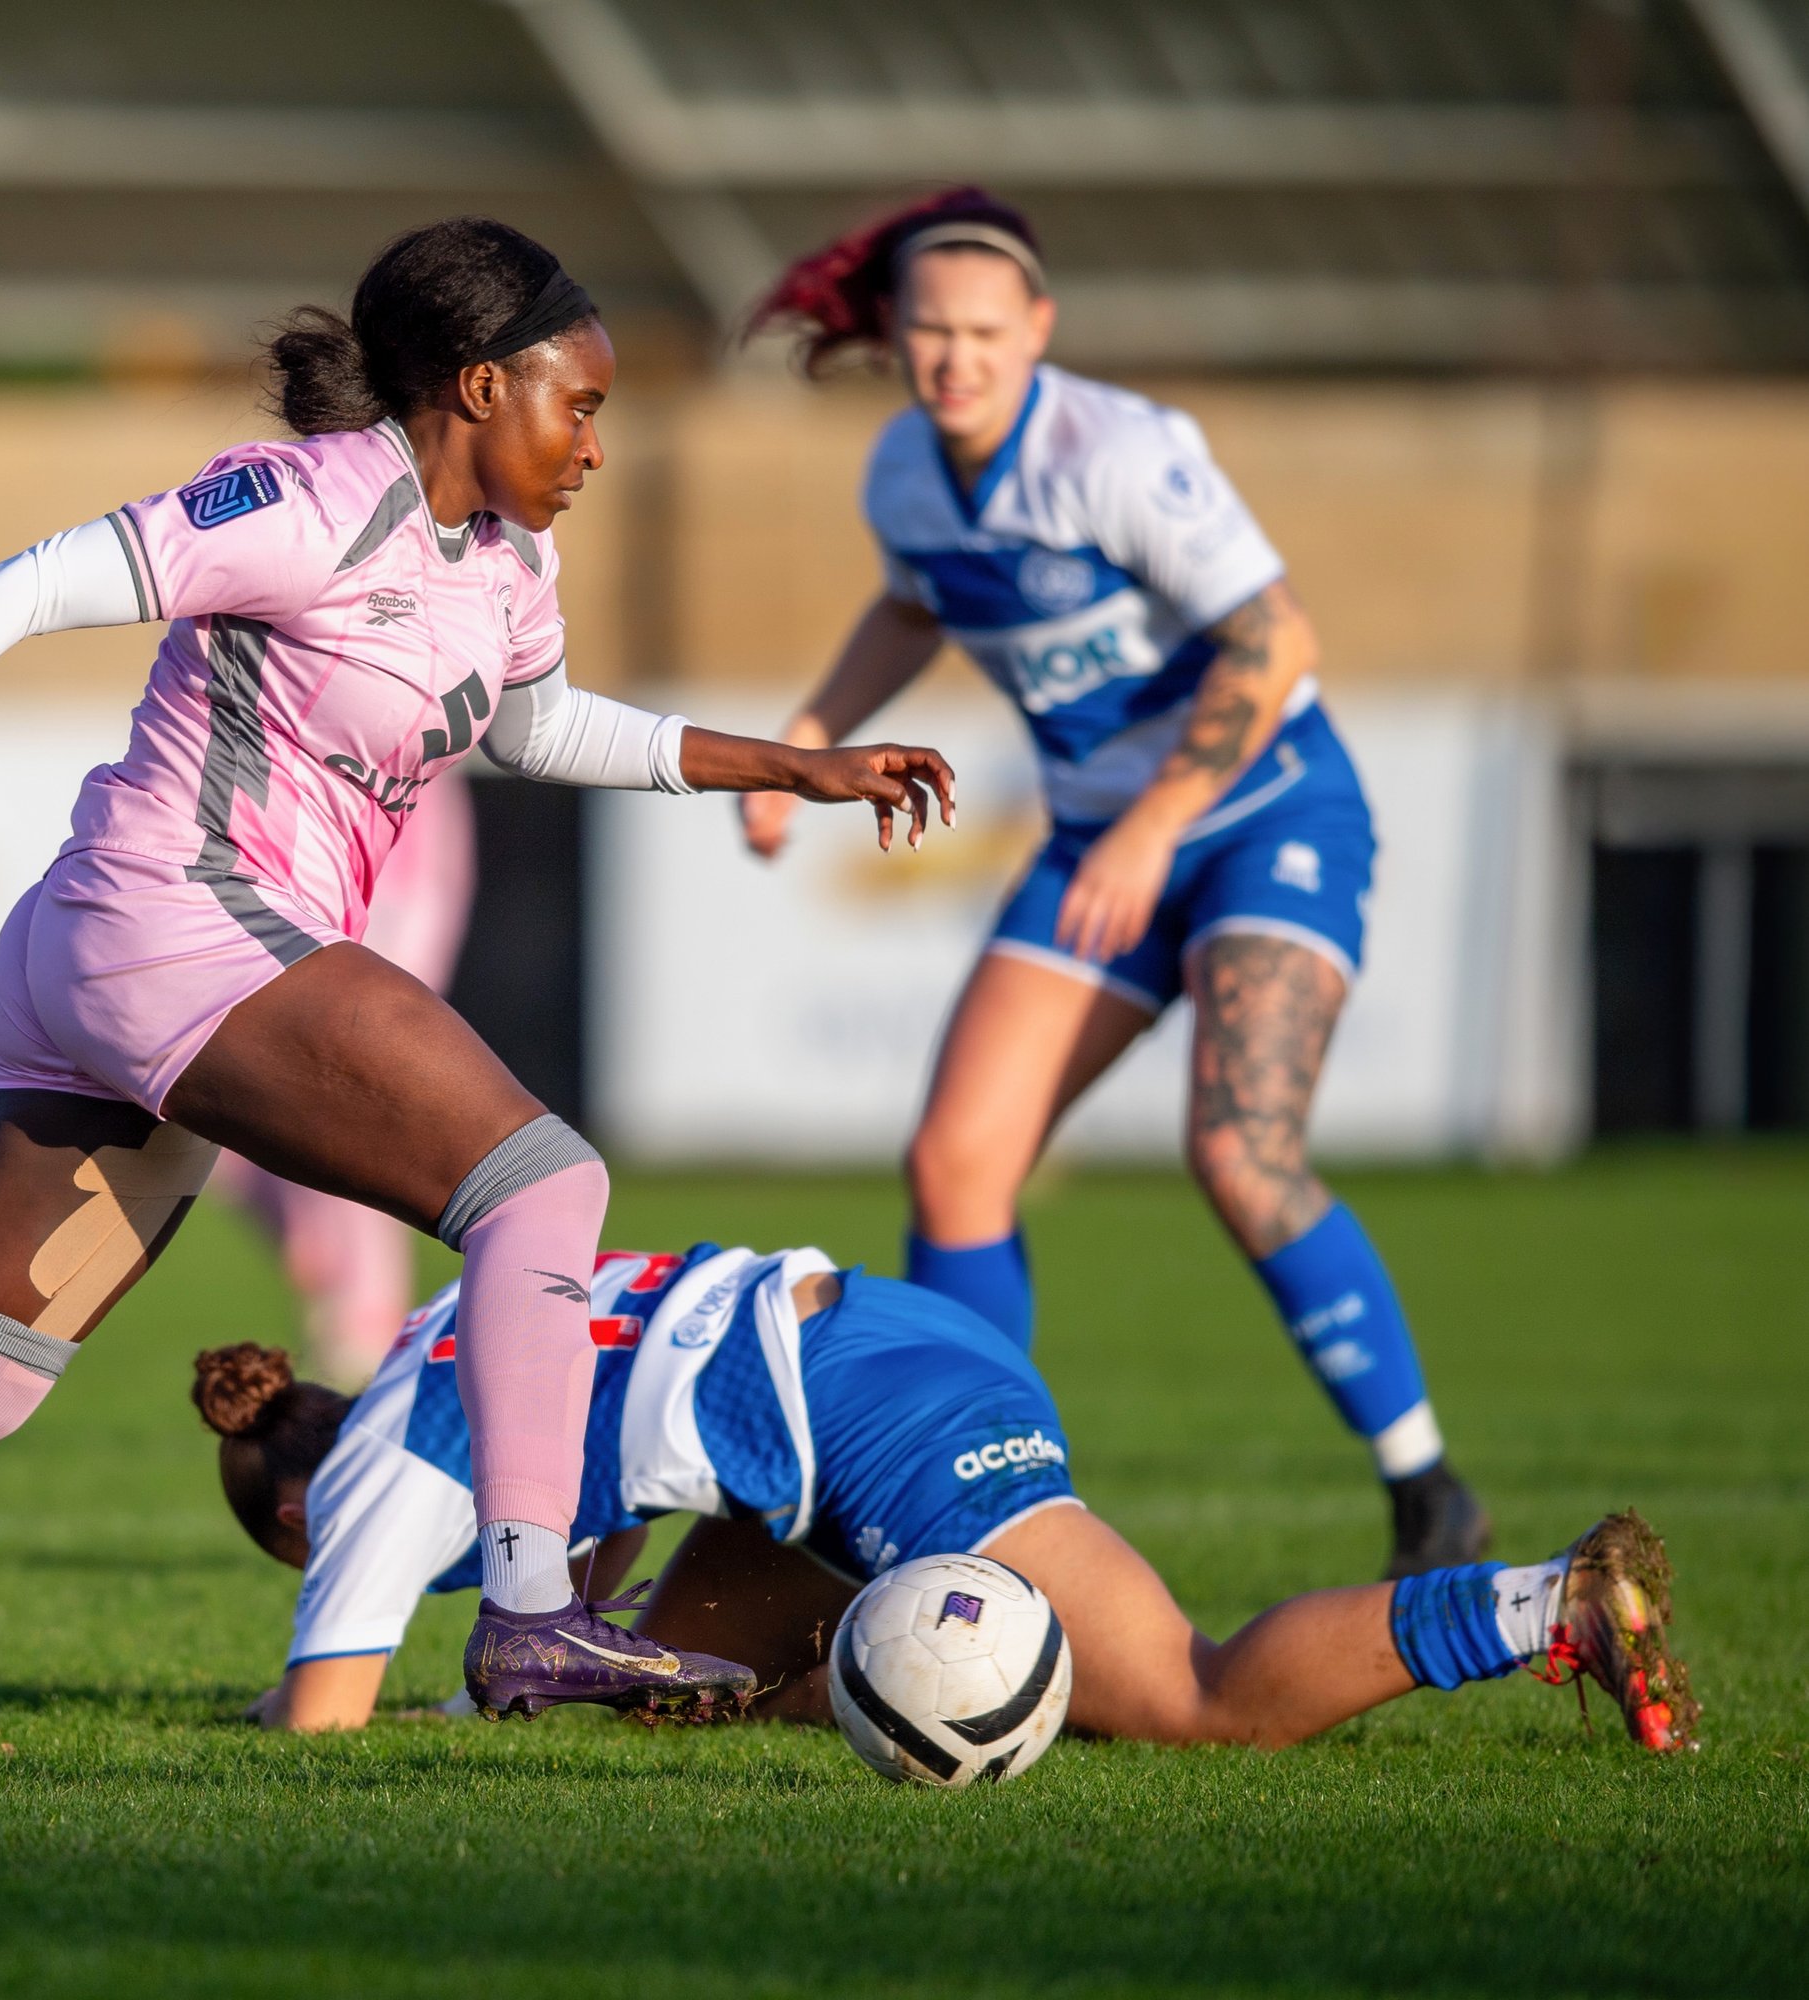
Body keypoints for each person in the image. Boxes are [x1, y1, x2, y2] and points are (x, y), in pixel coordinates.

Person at [0, 217, 954, 1768]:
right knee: (544, 1186)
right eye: (583, 406)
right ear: (482, 387)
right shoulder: (304, 504)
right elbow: (31, 585)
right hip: (170, 928)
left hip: (115, 963)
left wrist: (792, 764)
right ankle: (525, 1607)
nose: (597, 445)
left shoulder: (509, 565)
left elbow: (542, 725)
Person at [737, 187, 1486, 1578]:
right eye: (930, 332)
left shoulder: (1121, 453)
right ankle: (977, 1511)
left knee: (1238, 1152)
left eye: (983, 332)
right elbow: (914, 605)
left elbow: (1274, 637)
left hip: (1264, 811)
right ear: (894, 335)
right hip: (1100, 841)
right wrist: (808, 738)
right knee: (956, 1164)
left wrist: (1157, 826)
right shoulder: (904, 474)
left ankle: (1427, 1485)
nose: (956, 359)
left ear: (1038, 330)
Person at [195, 1247, 1697, 1754]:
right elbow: (611, 1464)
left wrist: (246, 1719)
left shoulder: (376, 1481)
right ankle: (888, 1676)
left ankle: (1542, 1599)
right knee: (675, 1694)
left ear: (299, 1527)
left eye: (307, 1570)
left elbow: (318, 1719)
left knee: (1192, 1695)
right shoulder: (426, 1332)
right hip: (861, 1338)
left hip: (868, 1414)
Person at [211, 770, 476, 1384]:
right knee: (228, 1133)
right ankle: (323, 1250)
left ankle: (368, 1319)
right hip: (294, 876)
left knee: (355, 1104)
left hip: (396, 878)